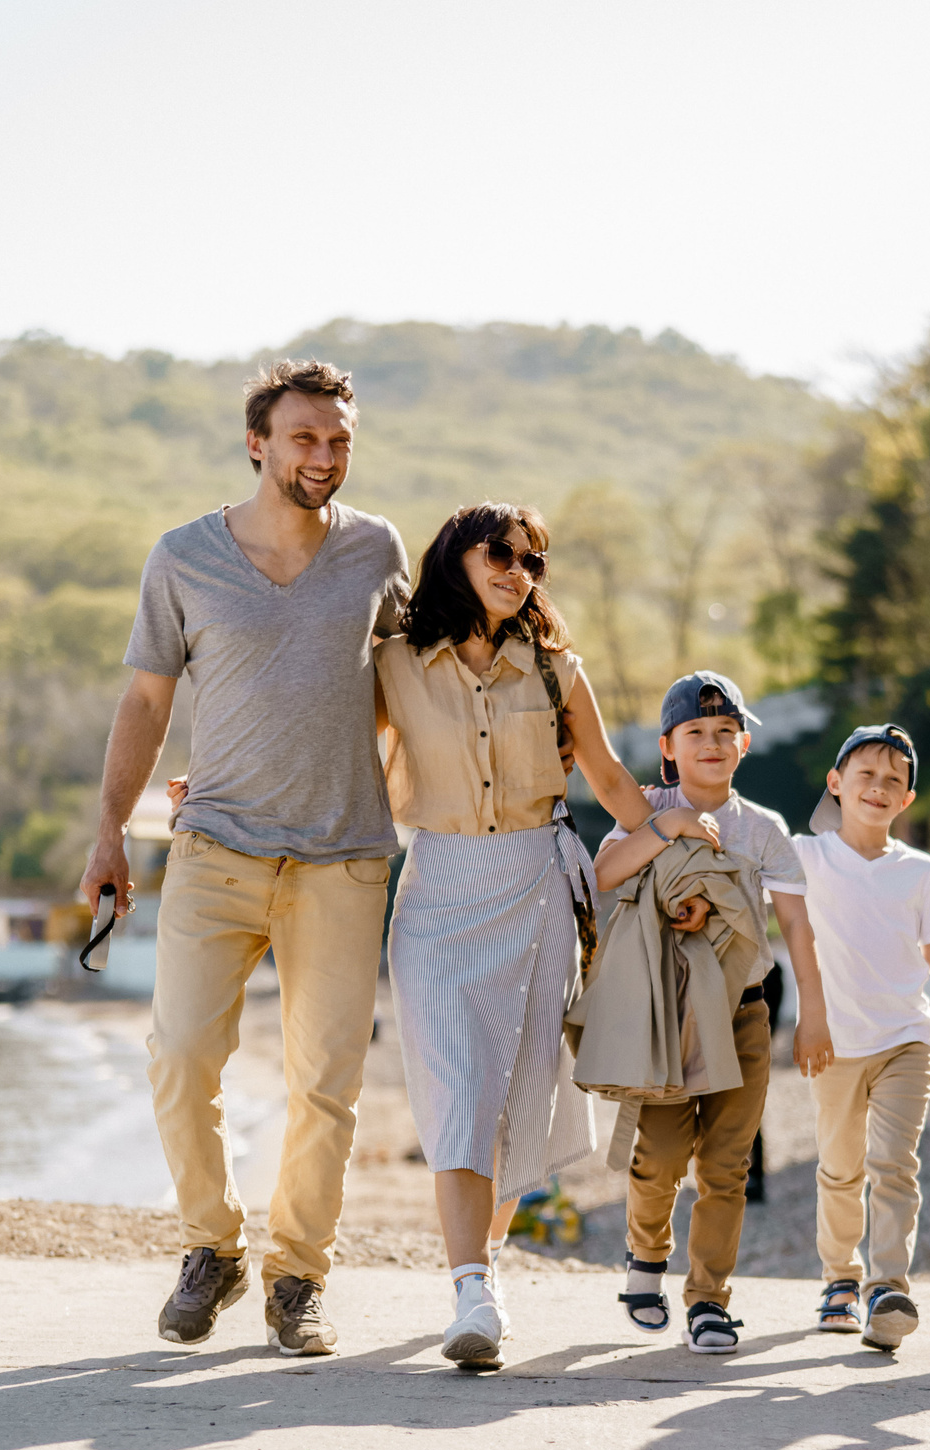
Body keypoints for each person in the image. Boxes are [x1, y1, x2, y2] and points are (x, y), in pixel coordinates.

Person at [81, 359, 408, 1356]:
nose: (324, 456)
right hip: (216, 847)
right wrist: (110, 832)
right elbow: (147, 700)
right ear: (258, 443)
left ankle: (298, 1278)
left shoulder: (377, 551)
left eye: (339, 440)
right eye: (304, 437)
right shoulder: (183, 557)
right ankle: (211, 1248)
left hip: (343, 859)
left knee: (325, 1086)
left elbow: (404, 688)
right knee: (181, 1054)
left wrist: (357, 773)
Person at [374, 502, 673, 1370]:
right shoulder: (393, 662)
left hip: (537, 892)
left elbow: (610, 779)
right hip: (438, 893)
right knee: (457, 1090)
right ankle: (471, 1288)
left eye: (533, 561)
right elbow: (336, 760)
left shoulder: (556, 668)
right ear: (455, 556)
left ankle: (486, 1262)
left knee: (519, 1105)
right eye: (501, 553)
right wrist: (219, 784)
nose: (518, 572)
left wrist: (679, 834)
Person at [592, 671, 832, 1354]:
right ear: (668, 746)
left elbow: (796, 925)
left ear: (744, 744)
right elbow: (604, 873)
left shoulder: (763, 828)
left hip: (743, 1012)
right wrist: (666, 826)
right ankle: (646, 1256)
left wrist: (812, 1013)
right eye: (695, 731)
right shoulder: (644, 807)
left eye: (726, 731)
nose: (712, 742)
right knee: (661, 1154)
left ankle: (708, 1300)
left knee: (728, 1167)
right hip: (666, 1015)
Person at [794, 724, 930, 1351]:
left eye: (893, 779)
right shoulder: (806, 857)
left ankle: (886, 1289)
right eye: (865, 774)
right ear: (836, 783)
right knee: (840, 1169)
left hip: (906, 1040)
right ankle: (839, 1278)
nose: (879, 787)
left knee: (894, 1165)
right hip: (833, 1044)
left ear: (908, 798)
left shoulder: (919, 870)